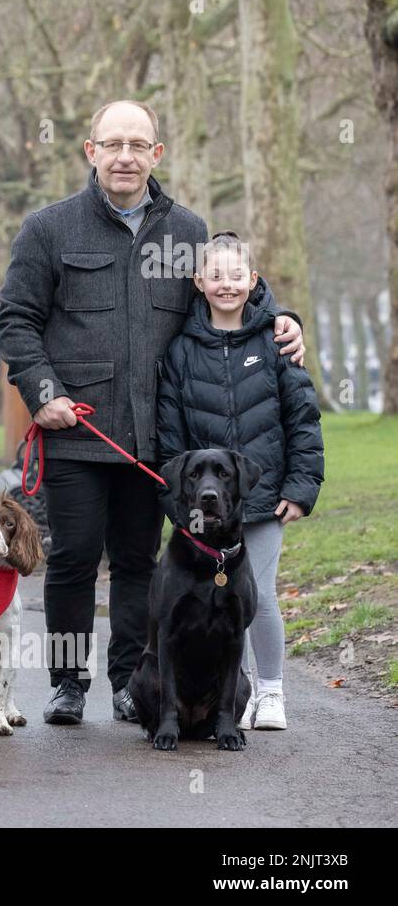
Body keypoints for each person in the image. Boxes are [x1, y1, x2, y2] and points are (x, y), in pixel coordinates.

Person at [0, 99, 306, 726]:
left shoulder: (189, 232)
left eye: (138, 145)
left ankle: (128, 681)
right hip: (77, 432)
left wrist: (283, 317)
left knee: (140, 564)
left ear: (156, 154)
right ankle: (67, 683)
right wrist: (44, 390)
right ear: (90, 151)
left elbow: (238, 285)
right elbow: (17, 321)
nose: (125, 156)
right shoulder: (49, 229)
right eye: (112, 144)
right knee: (75, 560)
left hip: (155, 441)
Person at [156, 231, 324, 731]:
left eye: (236, 276)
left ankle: (269, 691)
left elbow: (303, 419)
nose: (226, 285)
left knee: (259, 595)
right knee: (206, 603)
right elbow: (171, 435)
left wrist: (300, 487)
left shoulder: (277, 339)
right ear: (198, 281)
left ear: (253, 280)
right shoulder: (181, 351)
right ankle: (229, 695)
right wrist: (177, 503)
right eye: (216, 276)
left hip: (264, 498)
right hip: (203, 509)